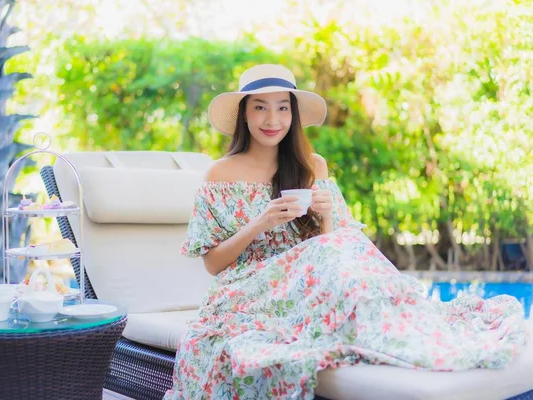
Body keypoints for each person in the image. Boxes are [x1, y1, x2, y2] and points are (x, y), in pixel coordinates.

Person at [163, 64, 527, 399]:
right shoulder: (219, 174)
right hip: (247, 290)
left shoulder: (312, 165)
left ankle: (406, 331)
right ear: (244, 114)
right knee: (337, 247)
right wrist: (261, 223)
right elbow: (212, 264)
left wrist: (324, 216)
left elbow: (334, 245)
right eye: (259, 107)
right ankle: (396, 335)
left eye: (282, 107)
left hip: (307, 283)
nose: (272, 118)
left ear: (294, 114)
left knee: (346, 241)